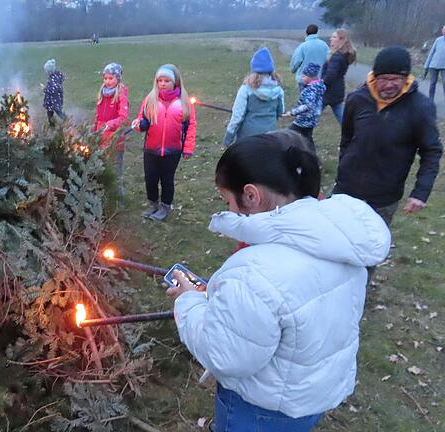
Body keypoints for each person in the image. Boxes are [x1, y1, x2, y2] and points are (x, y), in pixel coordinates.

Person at [168, 131, 391, 432]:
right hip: (314, 394)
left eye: (227, 200)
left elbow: (224, 354)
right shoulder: (341, 239)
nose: (229, 210)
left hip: (261, 409)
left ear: (251, 195)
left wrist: (188, 301)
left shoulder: (254, 274)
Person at [334, 46, 443, 226]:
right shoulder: (357, 99)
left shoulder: (420, 107)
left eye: (396, 79)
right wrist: (343, 167)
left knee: (371, 248)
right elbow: (347, 139)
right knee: (334, 239)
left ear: (407, 78)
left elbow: (431, 151)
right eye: (384, 78)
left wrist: (420, 192)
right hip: (346, 189)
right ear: (374, 77)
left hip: (384, 197)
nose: (389, 84)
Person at [131, 64, 196, 221]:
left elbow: (191, 125)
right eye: (159, 80)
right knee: (151, 179)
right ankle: (153, 203)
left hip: (172, 151)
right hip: (151, 149)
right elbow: (142, 119)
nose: (162, 83)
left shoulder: (184, 102)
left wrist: (188, 148)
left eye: (166, 80)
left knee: (167, 180)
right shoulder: (150, 99)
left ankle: (165, 206)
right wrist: (138, 125)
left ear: (175, 82)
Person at [224, 47, 285, 147]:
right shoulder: (279, 91)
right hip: (271, 137)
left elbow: (237, 117)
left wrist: (228, 138)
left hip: (248, 139)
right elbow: (280, 112)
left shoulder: (246, 89)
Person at [94, 63, 130, 196]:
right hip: (101, 138)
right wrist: (95, 132)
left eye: (111, 78)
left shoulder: (120, 94)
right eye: (105, 78)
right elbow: (97, 116)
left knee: (116, 169)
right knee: (102, 166)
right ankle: (104, 193)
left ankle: (118, 195)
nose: (107, 81)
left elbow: (124, 118)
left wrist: (111, 124)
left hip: (115, 139)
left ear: (118, 79)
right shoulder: (102, 93)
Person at [283, 62, 325, 153]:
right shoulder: (318, 87)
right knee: (307, 137)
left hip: (305, 118)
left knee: (289, 134)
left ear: (310, 77)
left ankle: (286, 151)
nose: (302, 78)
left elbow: (307, 105)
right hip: (313, 117)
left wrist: (292, 112)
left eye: (304, 76)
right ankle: (313, 158)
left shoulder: (311, 90)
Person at [322, 29, 357, 123]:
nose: (330, 39)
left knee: (311, 117)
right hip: (337, 90)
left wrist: (319, 83)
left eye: (334, 37)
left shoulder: (337, 57)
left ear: (341, 40)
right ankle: (353, 131)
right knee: (343, 118)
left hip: (328, 91)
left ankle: (300, 131)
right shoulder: (343, 55)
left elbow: (330, 75)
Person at [290, 24, 330, 91]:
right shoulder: (324, 45)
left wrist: (293, 69)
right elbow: (329, 60)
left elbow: (296, 61)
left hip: (304, 80)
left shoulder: (302, 46)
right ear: (317, 32)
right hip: (320, 79)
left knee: (305, 100)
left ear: (306, 32)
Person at [423, 25, 445, 102]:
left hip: (444, 66)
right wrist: (426, 65)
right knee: (433, 83)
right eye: (444, 30)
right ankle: (430, 99)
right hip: (434, 65)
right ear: (442, 31)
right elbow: (431, 53)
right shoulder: (438, 40)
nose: (444, 31)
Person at [42, 59, 67, 126]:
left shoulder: (53, 79)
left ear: (49, 71)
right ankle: (53, 124)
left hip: (53, 100)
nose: (46, 72)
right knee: (52, 112)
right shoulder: (57, 75)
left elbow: (54, 90)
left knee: (56, 111)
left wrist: (45, 89)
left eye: (46, 71)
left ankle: (65, 120)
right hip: (55, 99)